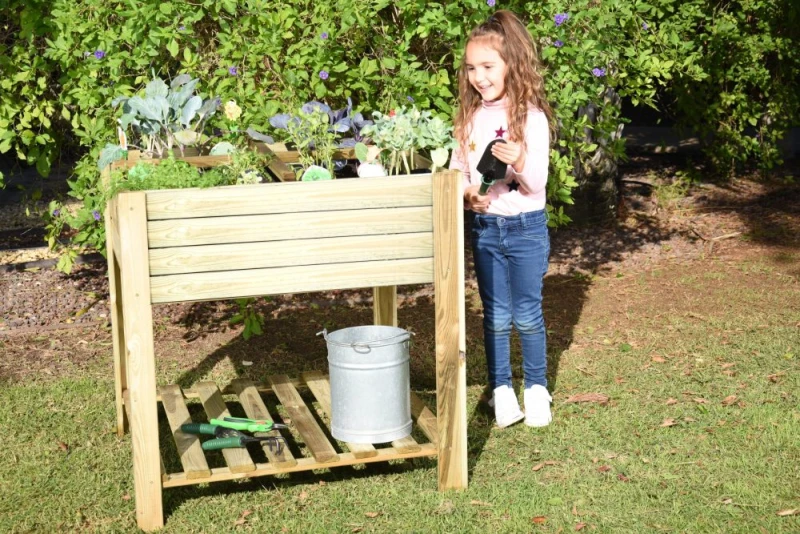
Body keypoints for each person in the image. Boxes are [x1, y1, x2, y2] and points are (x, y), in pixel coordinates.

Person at [449, 10, 555, 428]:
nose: (479, 76)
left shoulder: (531, 117)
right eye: (472, 68)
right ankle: (500, 390)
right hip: (487, 228)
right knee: (494, 314)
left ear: (511, 64)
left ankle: (536, 388)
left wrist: (521, 159)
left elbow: (536, 183)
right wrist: (466, 195)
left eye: (488, 66)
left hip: (526, 228)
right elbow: (460, 170)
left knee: (527, 312)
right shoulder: (470, 117)